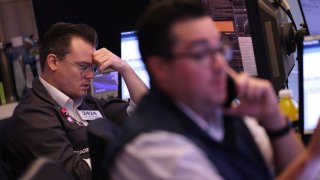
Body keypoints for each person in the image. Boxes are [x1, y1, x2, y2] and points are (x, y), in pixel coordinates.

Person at [107, 0, 320, 179]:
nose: (220, 65)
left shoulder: (221, 112)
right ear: (159, 67)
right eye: (201, 54)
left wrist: (273, 119)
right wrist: (313, 157)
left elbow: (293, 170)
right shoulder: (154, 148)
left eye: (219, 50)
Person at [3, 22, 148, 179]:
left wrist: (124, 68)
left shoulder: (85, 101)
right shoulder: (32, 115)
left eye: (92, 68)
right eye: (83, 67)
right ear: (53, 62)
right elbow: (76, 175)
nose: (91, 76)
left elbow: (145, 113)